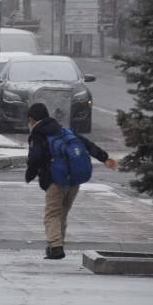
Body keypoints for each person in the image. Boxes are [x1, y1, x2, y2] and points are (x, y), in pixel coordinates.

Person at [24, 102, 116, 260]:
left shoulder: (38, 134)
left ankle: (55, 247)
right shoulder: (62, 129)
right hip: (74, 180)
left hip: (56, 180)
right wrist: (104, 158)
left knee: (52, 214)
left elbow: (35, 158)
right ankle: (58, 245)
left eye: (29, 121)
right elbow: (86, 144)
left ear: (32, 120)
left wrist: (29, 175)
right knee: (62, 213)